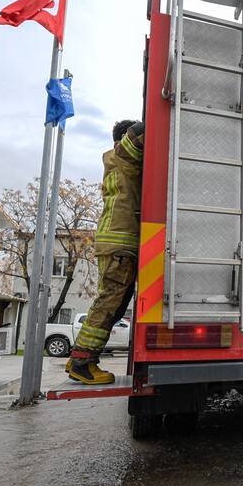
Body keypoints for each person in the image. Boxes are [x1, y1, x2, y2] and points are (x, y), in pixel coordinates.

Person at [66, 119, 145, 384]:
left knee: (114, 301)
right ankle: (82, 361)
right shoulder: (122, 153)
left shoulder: (118, 161)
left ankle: (80, 356)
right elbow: (143, 129)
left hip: (116, 243)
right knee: (111, 300)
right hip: (119, 242)